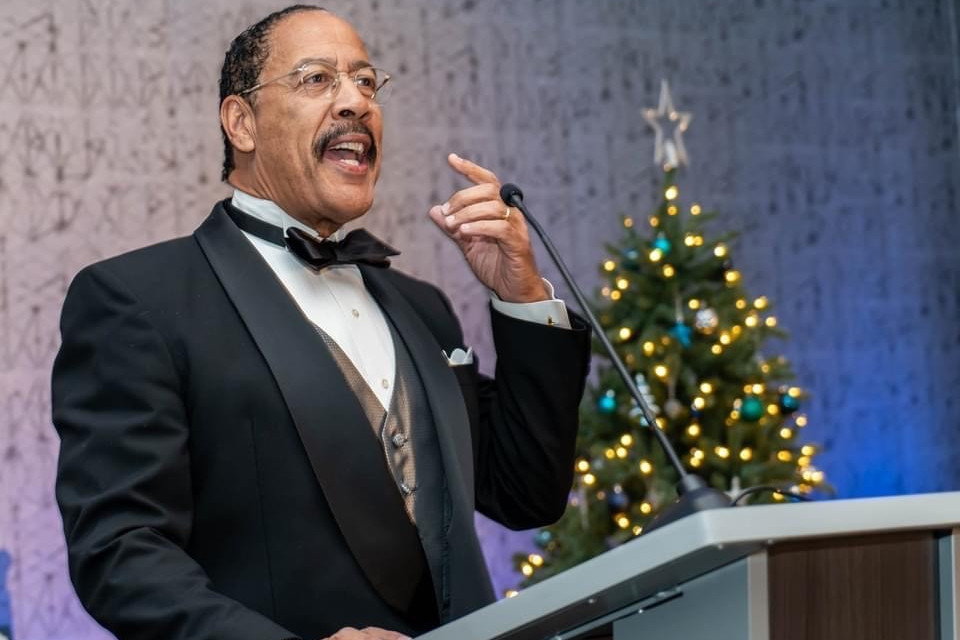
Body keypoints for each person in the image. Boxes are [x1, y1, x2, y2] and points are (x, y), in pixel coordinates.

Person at [52, 5, 590, 640]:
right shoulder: (136, 301)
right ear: (241, 122)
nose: (355, 102)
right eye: (316, 79)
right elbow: (120, 555)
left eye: (366, 82)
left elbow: (525, 494)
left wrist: (522, 296)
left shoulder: (422, 307)